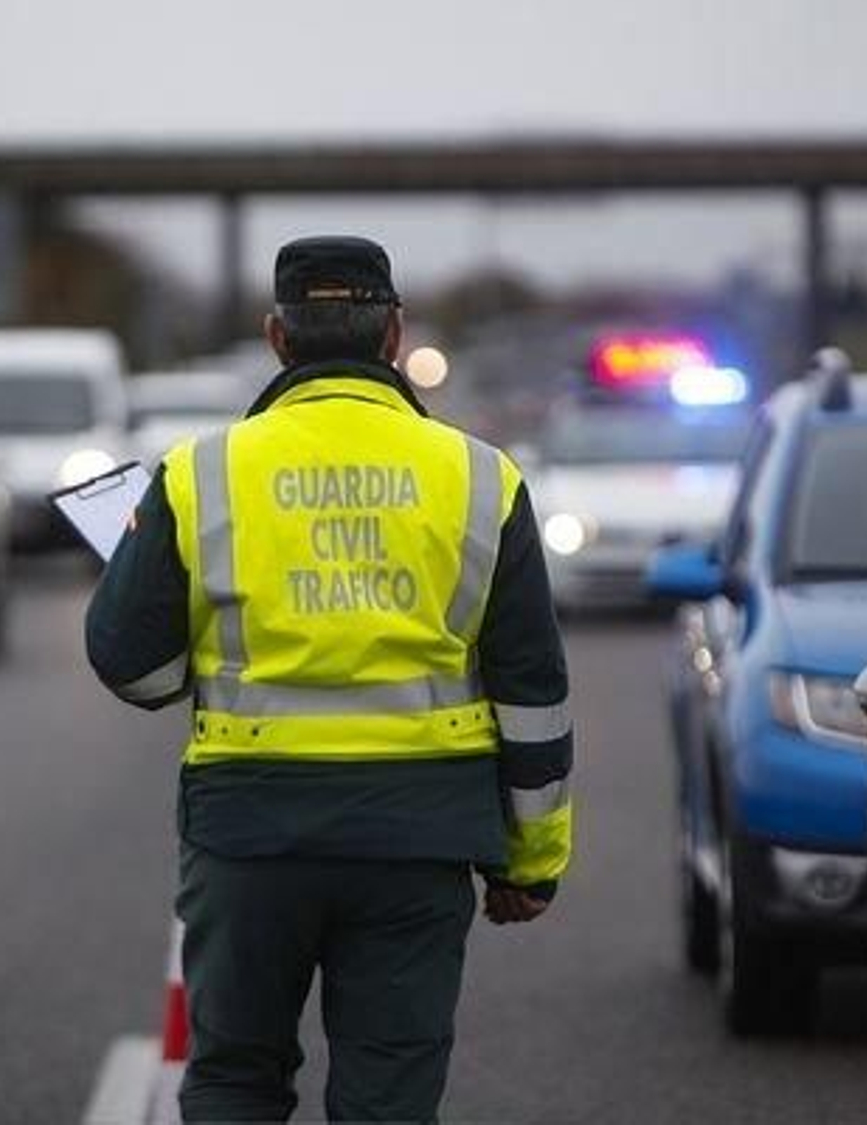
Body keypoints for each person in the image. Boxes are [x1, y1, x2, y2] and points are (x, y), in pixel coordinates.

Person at [85, 235, 572, 1122]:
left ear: (278, 337)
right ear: (393, 335)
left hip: (250, 835)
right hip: (417, 841)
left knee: (235, 1076)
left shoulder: (200, 474)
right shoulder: (480, 478)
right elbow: (533, 695)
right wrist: (530, 861)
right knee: (389, 1095)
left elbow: (135, 668)